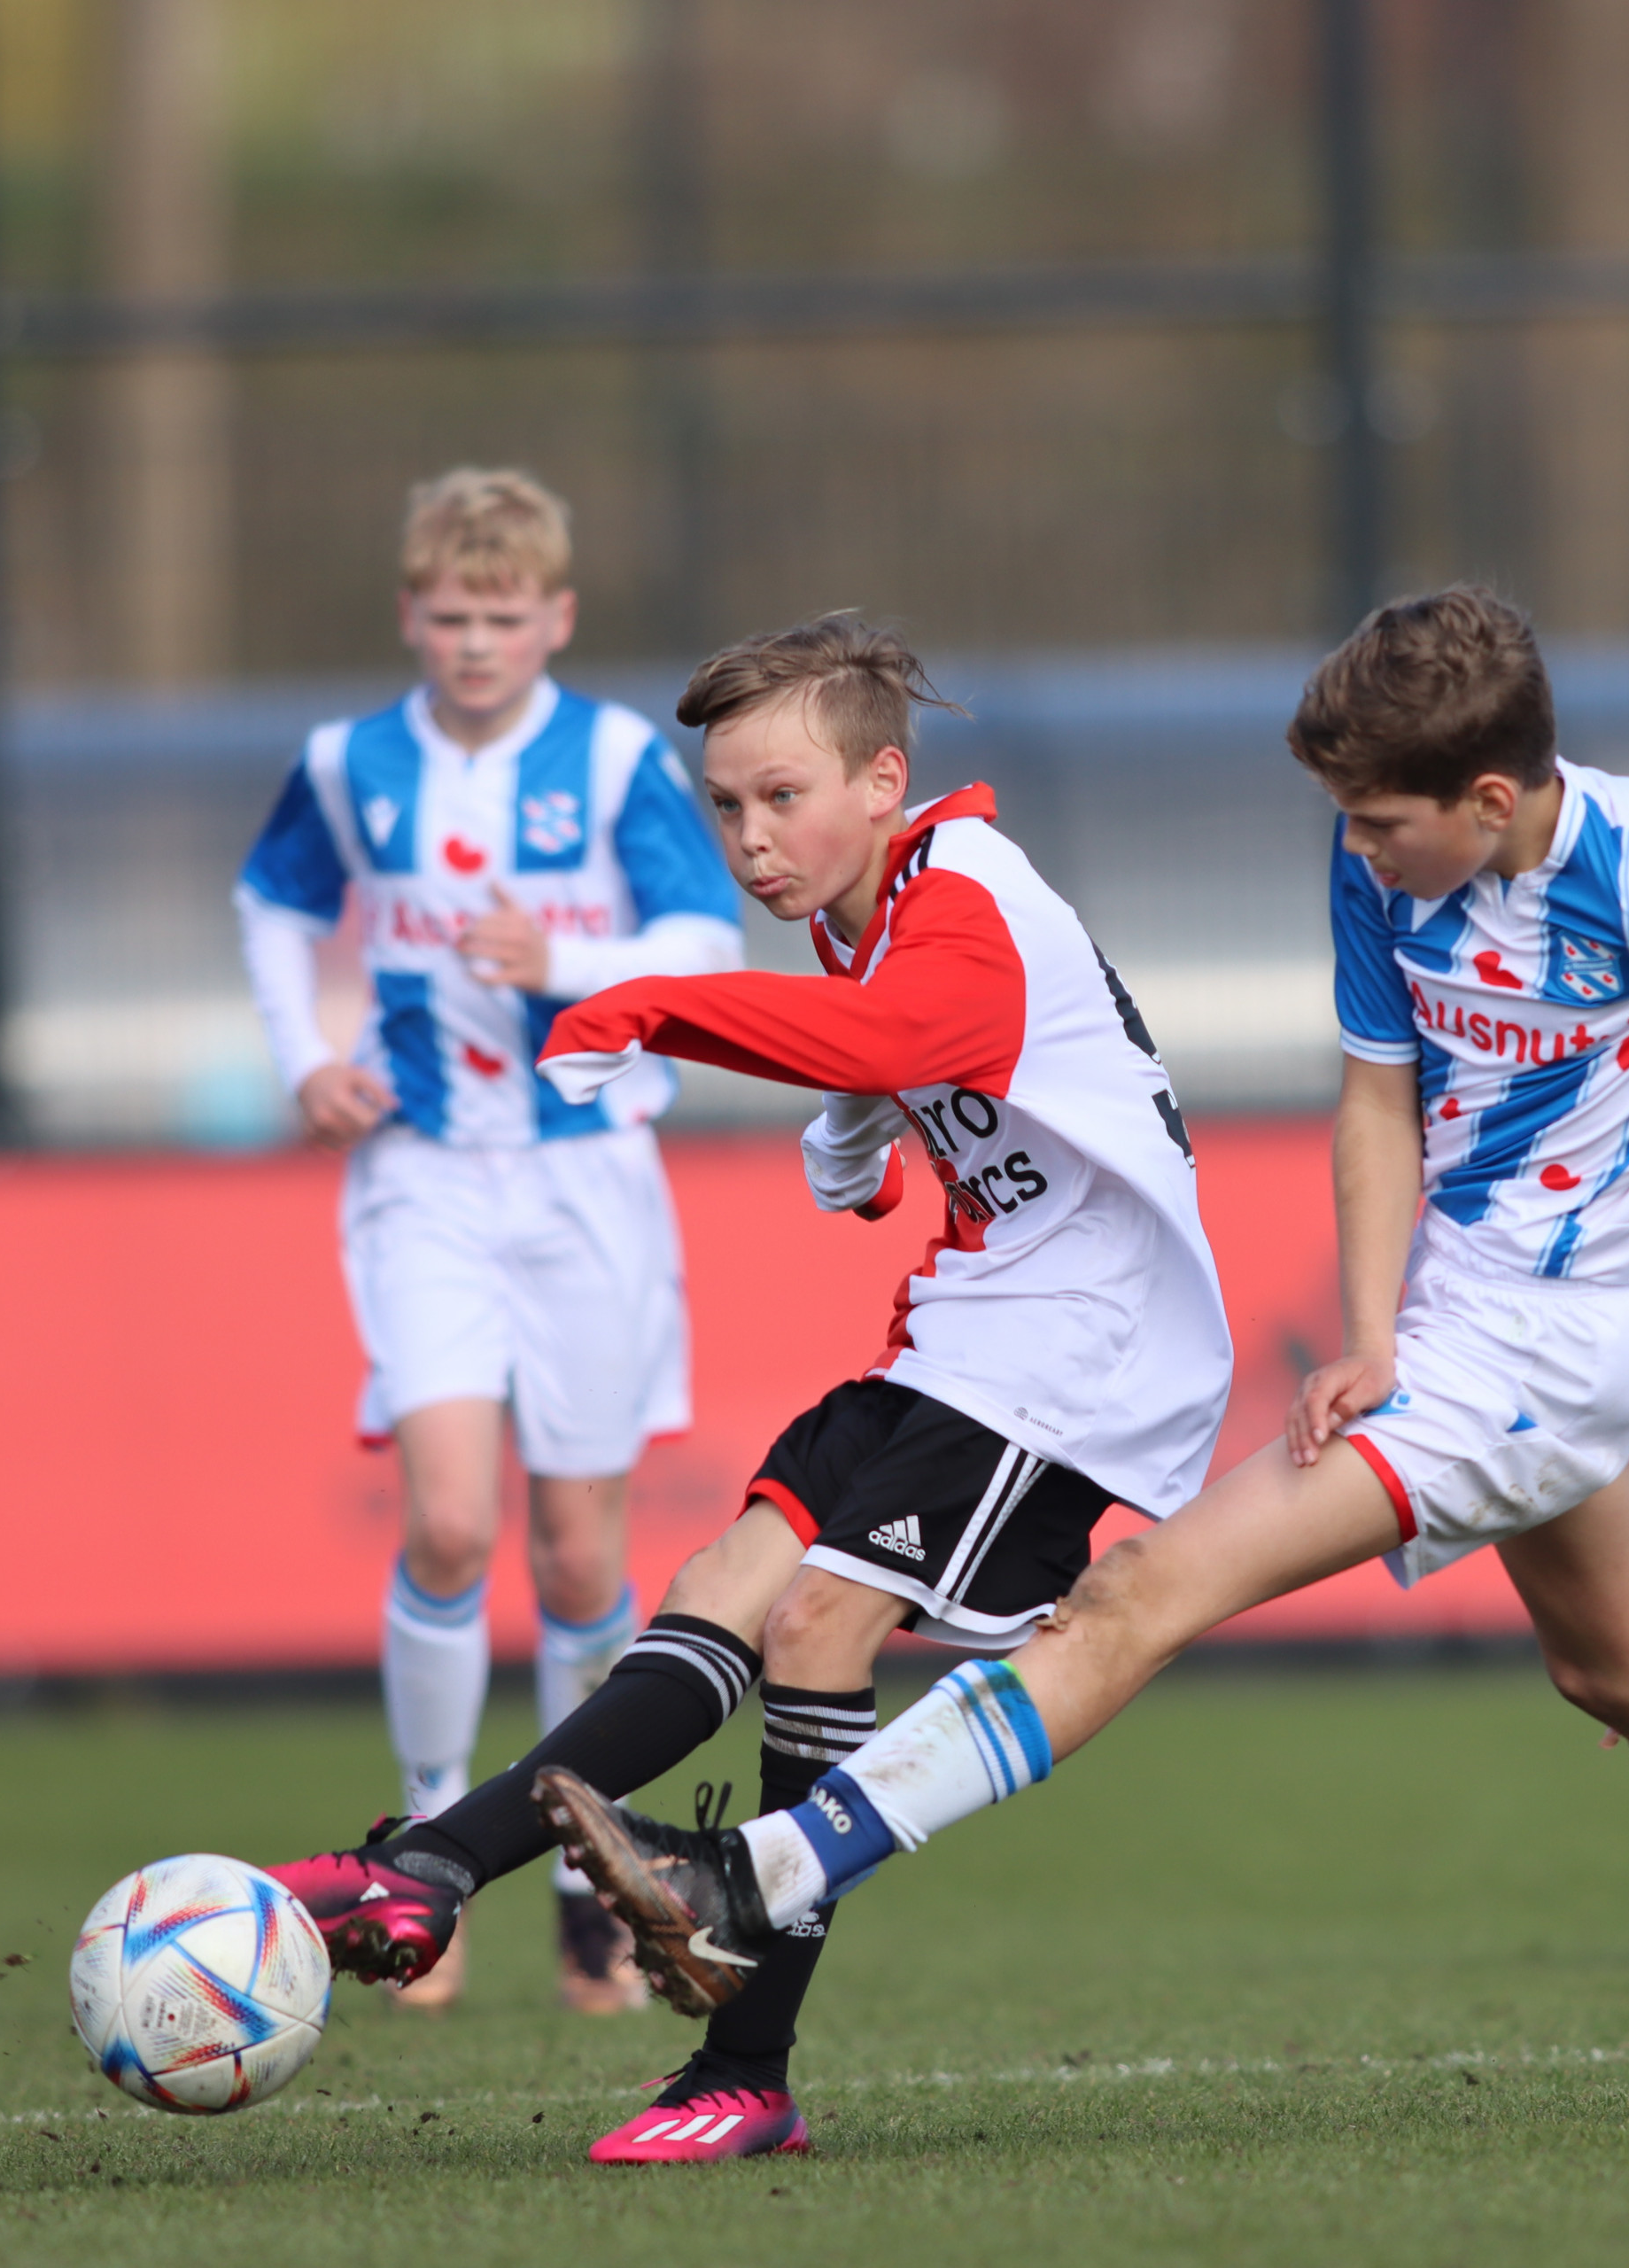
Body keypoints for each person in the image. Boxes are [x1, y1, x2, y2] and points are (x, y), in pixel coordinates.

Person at [537, 586, 1629, 2117]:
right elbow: (1374, 1103)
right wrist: (1366, 1334)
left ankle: (754, 1879)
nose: (1353, 846)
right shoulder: (1381, 863)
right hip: (1452, 1327)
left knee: (1135, 1599)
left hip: (1552, 1354)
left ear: (1489, 800)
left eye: (1378, 820)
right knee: (1626, 1670)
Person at [264, 612, 1233, 2163]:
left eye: (784, 797)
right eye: (726, 805)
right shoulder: (874, 911)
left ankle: (744, 2067)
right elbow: (910, 1053)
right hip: (975, 1324)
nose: (751, 838)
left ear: (883, 782)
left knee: (816, 1628)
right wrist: (856, 1130)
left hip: (1088, 1352)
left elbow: (917, 1025)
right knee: (721, 1586)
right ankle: (431, 1868)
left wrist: (650, 1005)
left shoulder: (966, 887)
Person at [232, 468, 748, 2011]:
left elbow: (705, 940)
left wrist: (566, 958)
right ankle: (422, 1858)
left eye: (503, 616)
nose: (475, 642)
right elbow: (272, 904)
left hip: (584, 1176)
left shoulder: (611, 758)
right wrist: (303, 1058)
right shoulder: (349, 763)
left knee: (581, 1549)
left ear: (556, 618)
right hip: (422, 1175)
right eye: (452, 615)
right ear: (411, 615)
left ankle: (587, 1875)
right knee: (451, 1524)